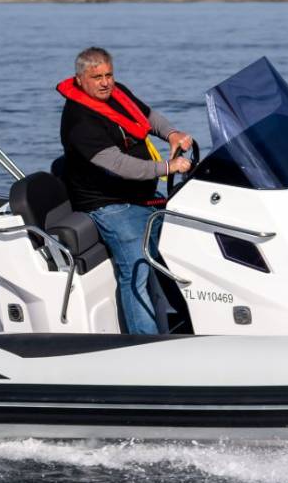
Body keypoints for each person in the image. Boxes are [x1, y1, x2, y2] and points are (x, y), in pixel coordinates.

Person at [57, 47, 193, 335]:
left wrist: (172, 133)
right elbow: (120, 165)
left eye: (109, 75)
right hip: (110, 204)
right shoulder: (79, 122)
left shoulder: (117, 93)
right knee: (138, 270)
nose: (105, 82)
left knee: (174, 257)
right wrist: (168, 168)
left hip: (143, 197)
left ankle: (189, 328)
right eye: (97, 77)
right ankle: (145, 346)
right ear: (80, 79)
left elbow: (148, 116)